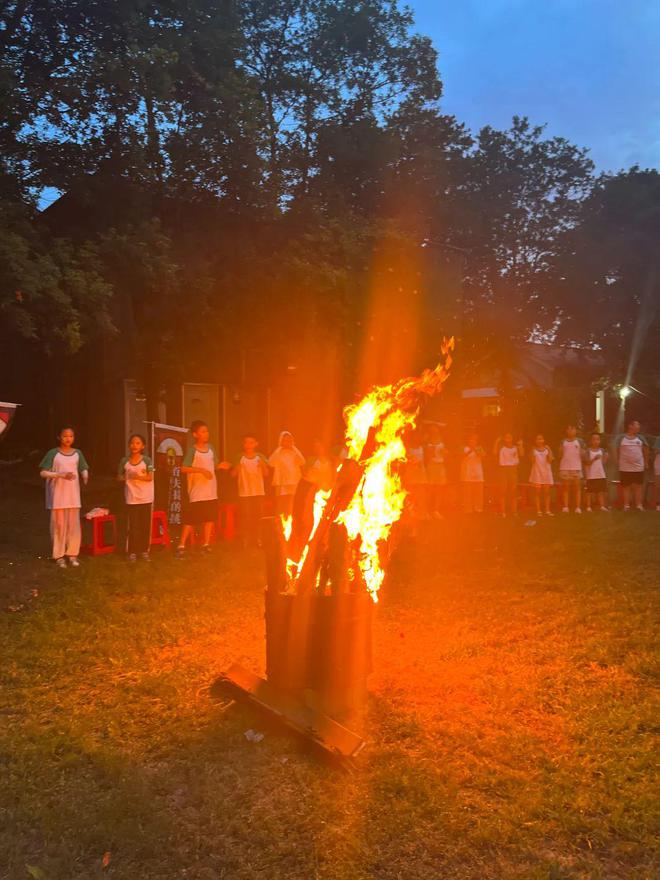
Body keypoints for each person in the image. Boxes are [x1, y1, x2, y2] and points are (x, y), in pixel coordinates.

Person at [176, 420, 230, 558]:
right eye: (203, 431)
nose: (206, 434)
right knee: (191, 519)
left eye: (207, 431)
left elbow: (214, 465)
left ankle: (206, 544)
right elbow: (183, 468)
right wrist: (201, 471)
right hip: (197, 491)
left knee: (209, 518)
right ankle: (181, 545)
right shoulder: (192, 450)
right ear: (195, 434)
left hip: (211, 491)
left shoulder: (211, 448)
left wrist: (221, 466)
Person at [39, 426, 89, 568]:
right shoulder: (53, 453)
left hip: (73, 495)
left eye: (71, 436)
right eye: (65, 436)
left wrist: (85, 474)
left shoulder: (78, 453)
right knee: (58, 525)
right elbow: (43, 472)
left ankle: (72, 554)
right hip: (58, 495)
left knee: (73, 525)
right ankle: (58, 555)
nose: (68, 439)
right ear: (59, 437)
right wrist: (59, 475)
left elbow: (83, 467)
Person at [117, 433, 155, 562]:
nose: (134, 445)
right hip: (132, 498)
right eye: (132, 443)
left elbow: (150, 477)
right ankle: (132, 551)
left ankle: (144, 551)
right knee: (133, 526)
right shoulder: (124, 461)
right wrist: (127, 477)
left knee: (145, 525)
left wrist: (138, 476)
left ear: (143, 446)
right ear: (129, 445)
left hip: (146, 498)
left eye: (138, 443)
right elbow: (119, 477)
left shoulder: (147, 460)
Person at [232, 434, 269, 548]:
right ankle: (245, 539)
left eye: (251, 442)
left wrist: (262, 465)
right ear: (243, 444)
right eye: (246, 443)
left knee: (258, 516)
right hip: (244, 492)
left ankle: (258, 538)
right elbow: (233, 474)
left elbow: (266, 474)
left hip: (258, 492)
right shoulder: (239, 457)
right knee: (245, 516)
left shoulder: (260, 457)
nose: (248, 445)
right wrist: (238, 467)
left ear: (256, 444)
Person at [268, 431, 305, 516]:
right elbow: (270, 463)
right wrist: (279, 448)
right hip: (282, 483)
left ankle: (290, 525)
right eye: (285, 440)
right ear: (281, 441)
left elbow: (302, 462)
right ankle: (280, 526)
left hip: (293, 482)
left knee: (291, 505)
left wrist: (294, 448)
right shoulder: (278, 453)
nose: (287, 442)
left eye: (289, 440)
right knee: (281, 506)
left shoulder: (294, 452)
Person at [615, 419, 649, 511]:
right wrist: (617, 460)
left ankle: (639, 505)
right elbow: (616, 449)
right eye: (637, 425)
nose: (639, 427)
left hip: (638, 467)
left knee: (638, 486)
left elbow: (646, 450)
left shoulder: (641, 438)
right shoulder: (621, 438)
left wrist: (646, 462)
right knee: (626, 487)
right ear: (630, 426)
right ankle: (626, 505)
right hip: (625, 467)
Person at [494, 432, 523, 516]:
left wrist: (521, 445)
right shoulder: (501, 447)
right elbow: (494, 452)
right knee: (503, 491)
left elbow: (521, 454)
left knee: (513, 491)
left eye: (510, 436)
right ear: (504, 438)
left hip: (513, 469)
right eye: (506, 437)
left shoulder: (515, 447)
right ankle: (503, 511)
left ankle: (514, 511)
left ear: (512, 438)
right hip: (503, 469)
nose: (508, 438)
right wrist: (496, 442)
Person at [558, 425, 585, 513]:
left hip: (576, 467)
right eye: (568, 429)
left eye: (572, 429)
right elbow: (559, 455)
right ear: (566, 431)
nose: (570, 431)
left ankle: (578, 507)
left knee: (577, 488)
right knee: (566, 487)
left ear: (575, 430)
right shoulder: (563, 441)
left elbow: (583, 455)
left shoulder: (580, 441)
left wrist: (583, 453)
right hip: (565, 467)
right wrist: (560, 451)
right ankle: (565, 507)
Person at [403, 429, 428, 520]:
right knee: (412, 494)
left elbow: (426, 459)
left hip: (421, 473)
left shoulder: (422, 448)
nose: (417, 439)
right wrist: (412, 463)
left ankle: (423, 513)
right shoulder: (408, 449)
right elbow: (405, 460)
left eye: (418, 437)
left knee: (422, 494)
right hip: (411, 473)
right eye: (415, 437)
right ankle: (411, 513)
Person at [424, 423, 448, 519]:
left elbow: (446, 454)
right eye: (432, 428)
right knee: (430, 489)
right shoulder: (427, 440)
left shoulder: (442, 439)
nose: (434, 430)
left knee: (439, 489)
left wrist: (445, 452)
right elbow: (426, 455)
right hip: (431, 466)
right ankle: (427, 510)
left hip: (440, 466)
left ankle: (436, 511)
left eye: (436, 428)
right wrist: (430, 451)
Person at [529, 434, 555, 517]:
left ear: (544, 440)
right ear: (535, 441)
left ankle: (547, 510)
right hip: (537, 472)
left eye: (541, 439)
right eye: (537, 439)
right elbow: (532, 461)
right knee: (537, 492)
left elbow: (550, 460)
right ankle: (538, 510)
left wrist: (549, 450)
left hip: (546, 472)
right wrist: (532, 452)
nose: (539, 440)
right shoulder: (533, 449)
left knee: (547, 492)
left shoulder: (547, 448)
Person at [583, 432, 609, 512]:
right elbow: (586, 462)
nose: (596, 441)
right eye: (594, 439)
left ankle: (602, 506)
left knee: (601, 491)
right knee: (589, 491)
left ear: (600, 441)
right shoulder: (588, 451)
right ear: (591, 441)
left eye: (597, 439)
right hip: (591, 475)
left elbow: (604, 463)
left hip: (600, 474)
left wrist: (606, 458)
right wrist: (594, 458)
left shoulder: (602, 450)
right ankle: (588, 506)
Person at [460, 432, 485, 514]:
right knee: (467, 492)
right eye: (472, 439)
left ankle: (478, 508)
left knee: (478, 492)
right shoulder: (465, 448)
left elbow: (484, 456)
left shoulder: (480, 448)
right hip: (467, 473)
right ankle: (467, 509)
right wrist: (471, 450)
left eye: (475, 439)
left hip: (478, 473)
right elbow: (461, 456)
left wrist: (477, 450)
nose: (474, 441)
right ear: (469, 440)